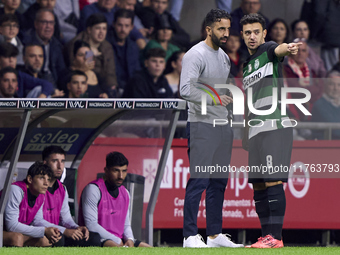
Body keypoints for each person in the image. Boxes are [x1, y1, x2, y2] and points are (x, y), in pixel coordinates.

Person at [180, 9, 242, 248]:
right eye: (221, 29)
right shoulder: (195, 55)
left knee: (218, 182)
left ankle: (215, 235)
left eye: (228, 29)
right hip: (201, 125)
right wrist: (216, 99)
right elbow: (186, 89)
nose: (226, 34)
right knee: (199, 180)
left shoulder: (224, 57)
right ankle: (189, 236)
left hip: (222, 125)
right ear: (208, 29)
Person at [240, 13, 301, 248]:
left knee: (273, 181)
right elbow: (248, 103)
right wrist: (246, 133)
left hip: (275, 127)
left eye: (256, 32)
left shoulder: (268, 50)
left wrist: (288, 48)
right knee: (258, 185)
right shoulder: (247, 66)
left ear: (264, 33)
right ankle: (266, 236)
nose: (252, 36)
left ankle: (275, 237)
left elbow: (280, 50)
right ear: (243, 36)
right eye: (247, 33)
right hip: (255, 131)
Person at [79, 151, 151, 247]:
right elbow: (91, 225)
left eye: (124, 171)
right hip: (98, 239)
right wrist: (117, 240)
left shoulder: (125, 193)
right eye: (116, 171)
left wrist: (130, 239)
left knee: (151, 250)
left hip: (119, 240)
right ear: (106, 170)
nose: (120, 176)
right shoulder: (93, 189)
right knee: (118, 249)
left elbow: (126, 225)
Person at [41, 145, 101, 247]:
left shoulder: (62, 189)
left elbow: (66, 219)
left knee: (94, 238)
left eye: (63, 161)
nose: (60, 166)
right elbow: (36, 221)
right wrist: (65, 231)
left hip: (59, 231)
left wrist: (76, 228)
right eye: (55, 161)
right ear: (45, 163)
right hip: (42, 231)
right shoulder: (37, 187)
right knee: (59, 238)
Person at [2, 162, 62, 247]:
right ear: (30, 179)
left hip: (14, 232)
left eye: (48, 179)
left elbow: (38, 221)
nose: (46, 183)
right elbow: (11, 226)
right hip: (6, 231)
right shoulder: (15, 190)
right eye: (42, 178)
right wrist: (44, 231)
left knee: (45, 240)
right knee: (16, 238)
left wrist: (61, 230)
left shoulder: (41, 195)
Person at [66, 13, 117, 93]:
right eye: (98, 28)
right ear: (89, 30)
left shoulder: (107, 47)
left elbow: (110, 73)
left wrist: (112, 89)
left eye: (104, 29)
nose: (101, 32)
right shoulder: (78, 44)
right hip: (81, 86)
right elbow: (76, 67)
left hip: (101, 85)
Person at [22, 8, 66, 86]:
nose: (48, 26)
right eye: (44, 22)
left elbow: (62, 71)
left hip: (53, 81)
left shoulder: (56, 44)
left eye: (51, 23)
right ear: (36, 24)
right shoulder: (26, 41)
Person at [283, 39, 323, 121]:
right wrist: (311, 90)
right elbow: (295, 90)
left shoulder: (311, 71)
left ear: (307, 54)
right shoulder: (285, 70)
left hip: (312, 109)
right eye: (297, 50)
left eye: (303, 50)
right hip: (292, 109)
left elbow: (320, 89)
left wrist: (306, 91)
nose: (300, 53)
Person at [106, 8, 141, 93]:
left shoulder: (133, 47)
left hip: (130, 90)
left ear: (132, 27)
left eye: (126, 26)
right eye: (120, 25)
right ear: (113, 24)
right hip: (111, 90)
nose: (123, 29)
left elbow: (137, 72)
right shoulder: (104, 44)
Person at [311, 70, 340, 140]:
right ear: (325, 85)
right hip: (326, 145)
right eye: (332, 84)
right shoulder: (319, 105)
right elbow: (335, 129)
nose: (335, 88)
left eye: (339, 85)